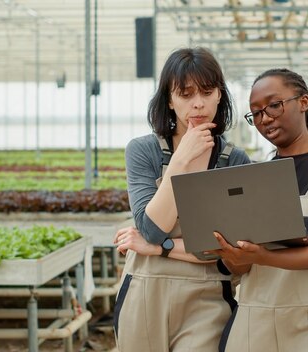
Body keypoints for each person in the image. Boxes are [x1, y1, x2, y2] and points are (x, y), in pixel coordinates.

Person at [212, 68, 308, 352]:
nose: (265, 118)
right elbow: (241, 267)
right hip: (253, 323)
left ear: (304, 102)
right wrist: (233, 254)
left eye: (274, 105)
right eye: (256, 113)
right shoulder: (251, 177)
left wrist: (263, 255)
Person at [112, 47, 250, 352]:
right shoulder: (143, 151)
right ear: (170, 101)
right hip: (144, 295)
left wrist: (159, 248)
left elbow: (231, 250)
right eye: (185, 94)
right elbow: (151, 227)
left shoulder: (234, 161)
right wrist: (180, 163)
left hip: (209, 296)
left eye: (206, 91)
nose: (198, 103)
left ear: (219, 96)